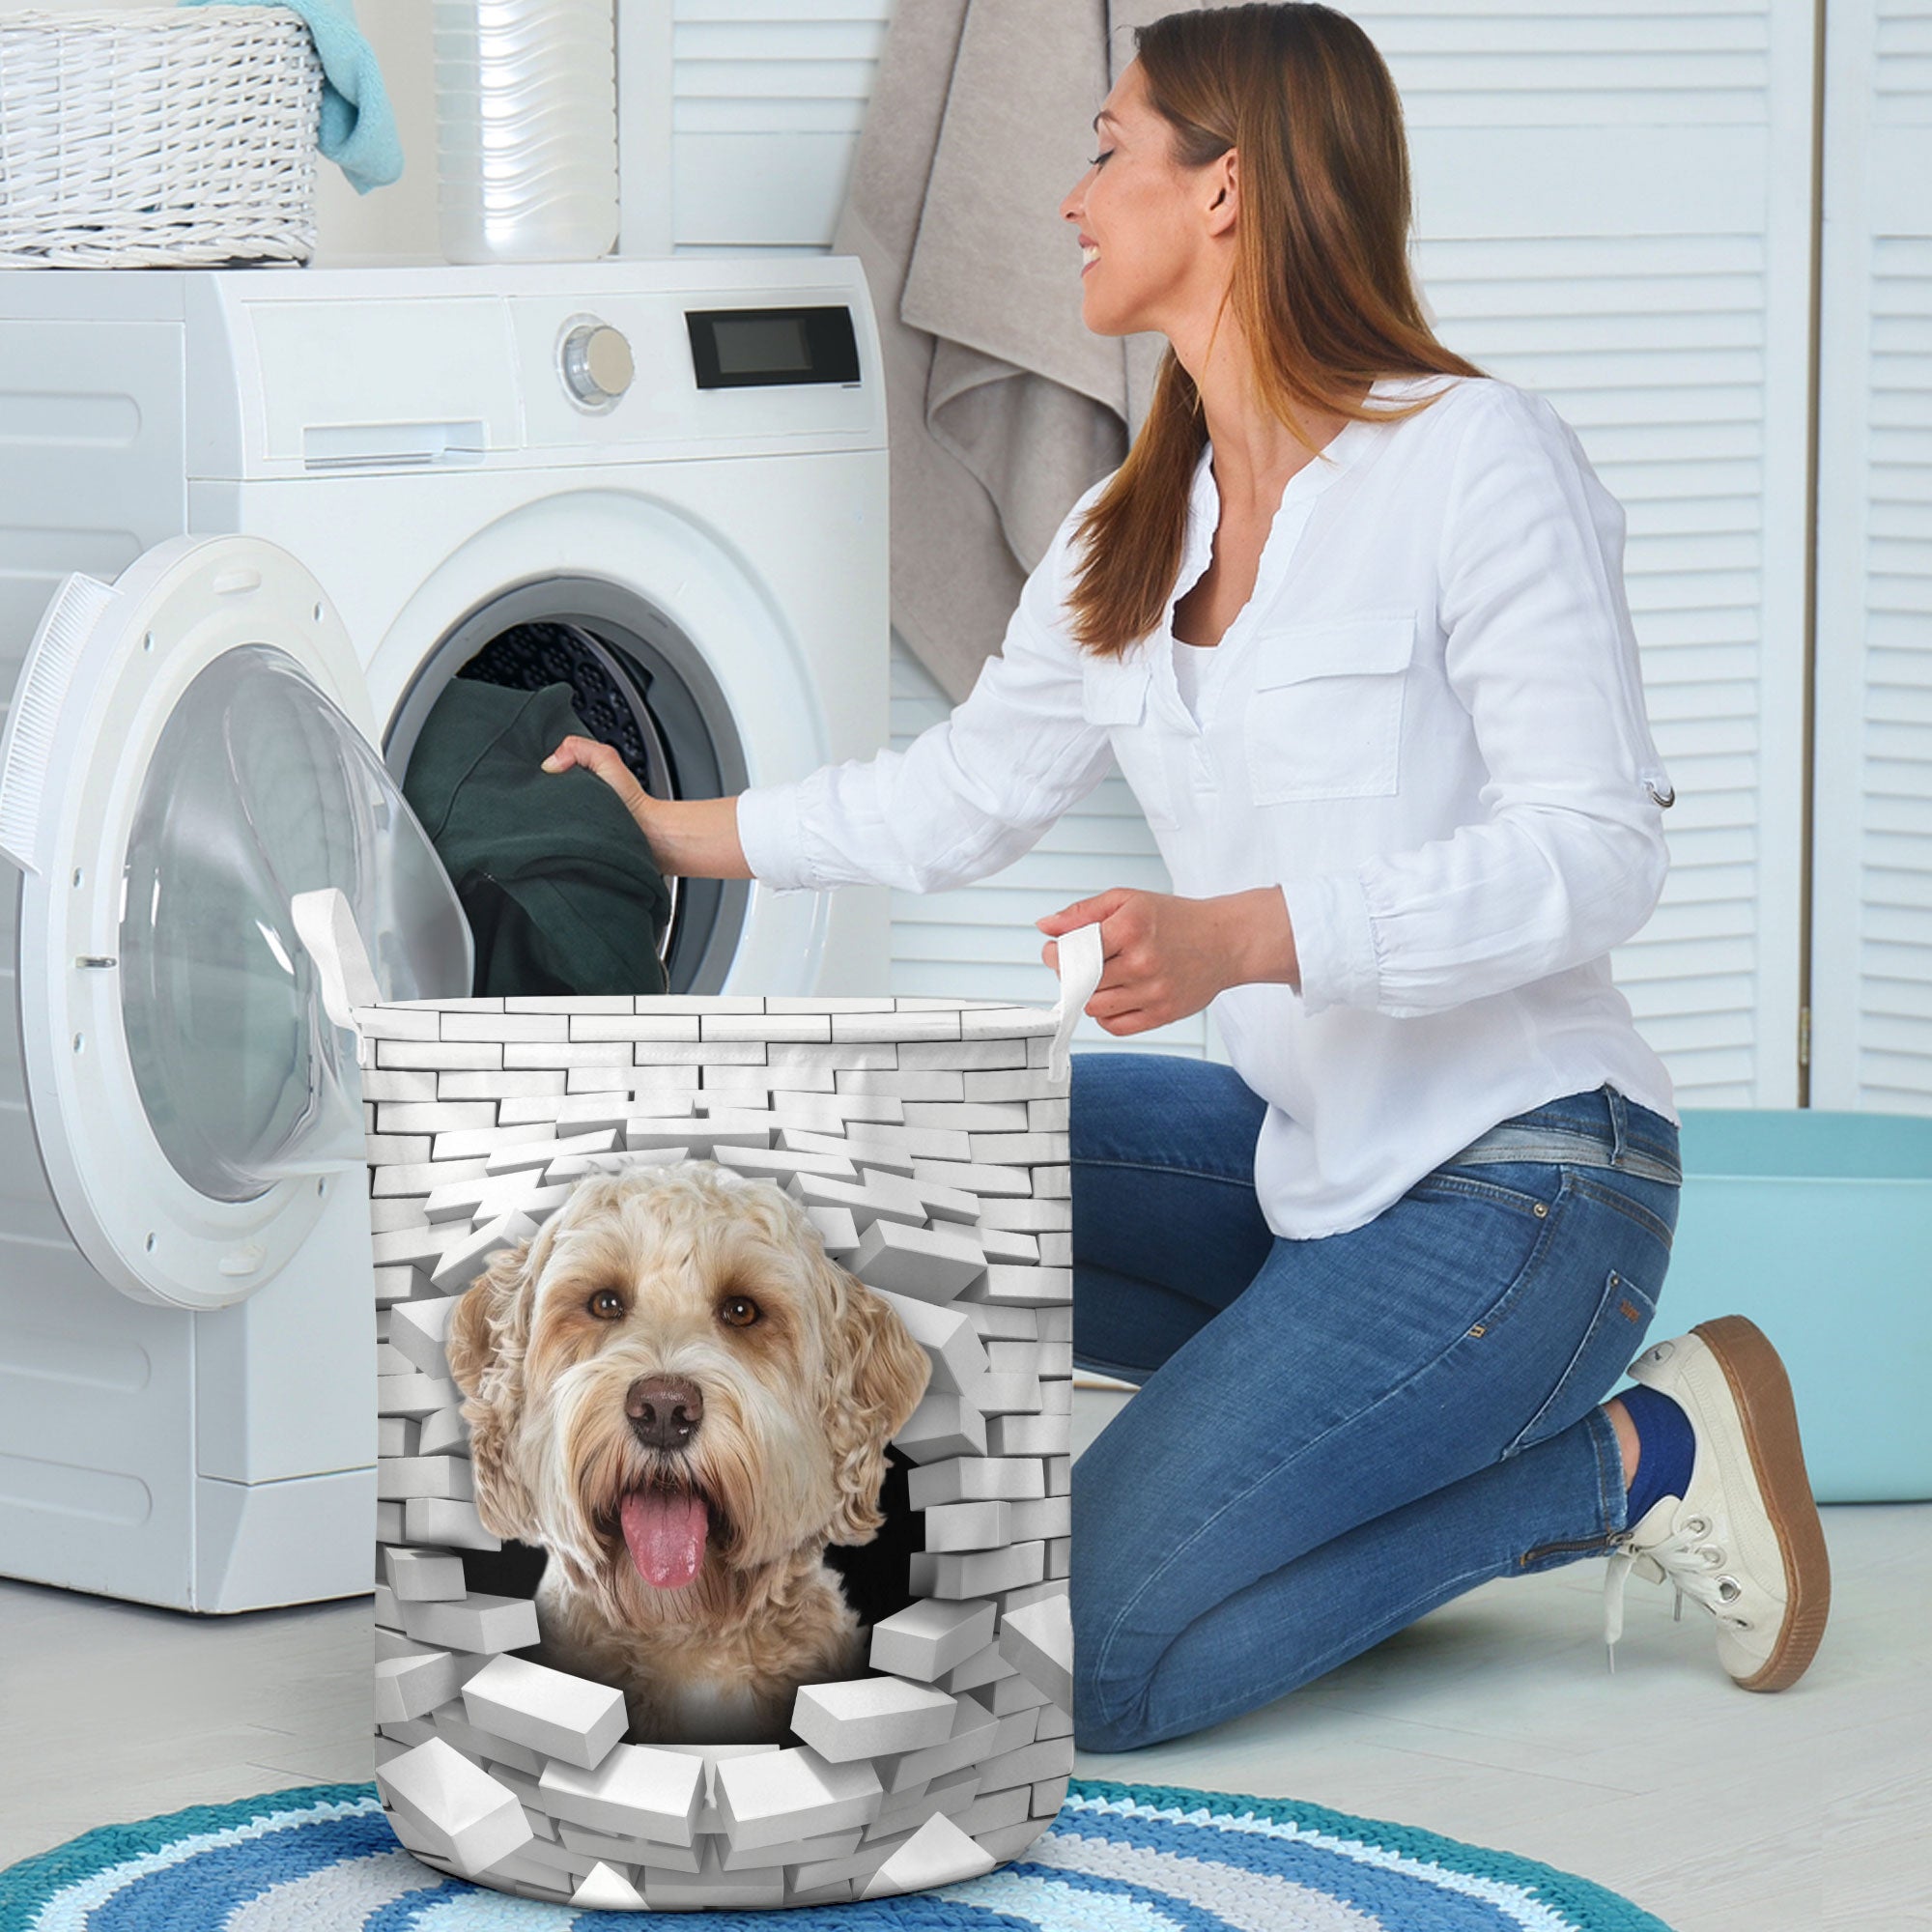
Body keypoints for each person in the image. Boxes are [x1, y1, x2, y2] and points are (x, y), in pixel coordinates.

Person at [541, 0, 1831, 1754]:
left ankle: (1634, 1461)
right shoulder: (1129, 527)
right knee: (878, 1164)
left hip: (1530, 1186)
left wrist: (1250, 939)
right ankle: (1240, 1449)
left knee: (1098, 1661)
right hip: (1313, 1174)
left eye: (1106, 150)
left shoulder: (1472, 459)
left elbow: (1599, 856)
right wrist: (681, 825)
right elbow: (962, 797)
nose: (1069, 198)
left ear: (1225, 191)